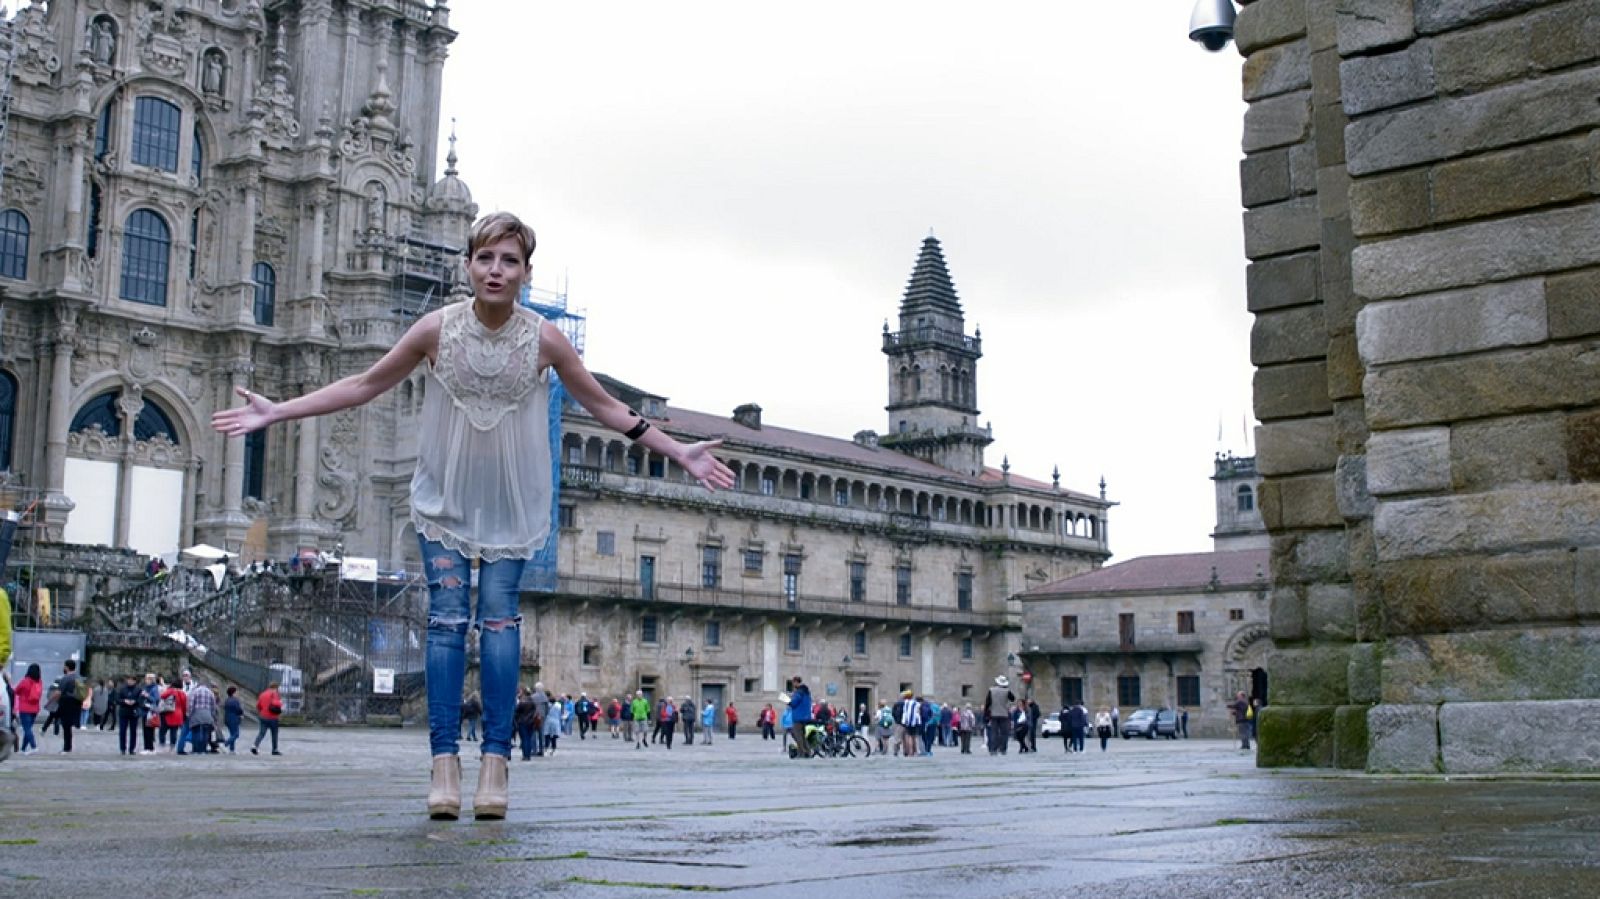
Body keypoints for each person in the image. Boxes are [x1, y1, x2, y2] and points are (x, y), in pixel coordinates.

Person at [214, 212, 734, 820]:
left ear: (525, 273)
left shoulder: (545, 339)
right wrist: (277, 412)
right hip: (446, 495)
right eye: (486, 258)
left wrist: (679, 452)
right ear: (468, 265)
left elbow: (607, 407)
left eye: (509, 261)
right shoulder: (435, 330)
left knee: (498, 624)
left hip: (514, 500)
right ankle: (442, 763)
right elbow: (363, 384)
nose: (496, 270)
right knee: (445, 621)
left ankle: (495, 762)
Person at [50, 660, 85, 753]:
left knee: (66, 727)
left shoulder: (65, 678)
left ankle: (67, 747)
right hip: (77, 704)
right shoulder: (79, 678)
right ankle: (68, 746)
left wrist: (51, 700)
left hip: (66, 704)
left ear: (67, 667)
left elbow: (59, 692)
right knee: (68, 727)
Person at [14, 663, 42, 755]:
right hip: (35, 708)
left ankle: (34, 746)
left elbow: (16, 691)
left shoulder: (25, 681)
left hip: (25, 708)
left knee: (27, 729)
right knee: (28, 728)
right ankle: (23, 749)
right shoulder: (39, 682)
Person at [982, 675, 1015, 755]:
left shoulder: (991, 690)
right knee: (1004, 733)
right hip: (1004, 714)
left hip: (994, 714)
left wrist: (986, 714)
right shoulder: (1007, 691)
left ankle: (993, 749)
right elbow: (1013, 698)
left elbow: (987, 703)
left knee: (994, 732)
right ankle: (1003, 749)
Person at [114, 674, 145, 755]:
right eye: (129, 680)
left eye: (132, 680)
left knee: (133, 731)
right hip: (124, 712)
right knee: (122, 731)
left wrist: (135, 701)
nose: (130, 682)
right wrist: (124, 701)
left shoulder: (138, 689)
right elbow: (117, 699)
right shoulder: (122, 689)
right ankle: (122, 748)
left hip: (134, 712)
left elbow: (141, 700)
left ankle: (132, 748)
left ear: (135, 681)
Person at [252, 681, 283, 755]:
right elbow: (277, 704)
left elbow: (258, 706)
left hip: (263, 716)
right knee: (274, 734)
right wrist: (280, 704)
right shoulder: (275, 694)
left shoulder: (262, 694)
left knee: (261, 733)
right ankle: (274, 749)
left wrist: (262, 711)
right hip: (273, 717)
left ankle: (255, 746)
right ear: (276, 688)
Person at [786, 677, 813, 758]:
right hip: (806, 717)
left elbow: (794, 703)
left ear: (796, 682)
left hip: (798, 717)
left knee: (797, 735)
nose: (793, 685)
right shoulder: (806, 692)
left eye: (793, 683)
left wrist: (787, 700)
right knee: (803, 735)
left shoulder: (799, 692)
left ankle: (801, 752)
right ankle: (808, 751)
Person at [188, 682, 218, 754]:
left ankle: (196, 750)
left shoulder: (195, 692)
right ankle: (203, 749)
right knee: (206, 733)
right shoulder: (211, 693)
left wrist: (189, 715)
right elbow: (213, 706)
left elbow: (191, 705)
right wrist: (213, 716)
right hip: (207, 714)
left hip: (196, 714)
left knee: (196, 732)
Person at [158, 678, 186, 752]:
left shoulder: (171, 690)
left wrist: (167, 688)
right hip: (178, 714)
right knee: (174, 731)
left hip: (168, 713)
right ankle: (172, 747)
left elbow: (162, 696)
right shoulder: (183, 693)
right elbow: (184, 705)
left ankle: (162, 746)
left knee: (162, 731)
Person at [513, 687, 539, 761]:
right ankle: (528, 755)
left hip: (522, 722)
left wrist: (517, 719)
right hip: (531, 722)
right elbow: (535, 711)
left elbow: (516, 712)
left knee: (524, 739)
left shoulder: (522, 702)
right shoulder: (532, 702)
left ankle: (525, 755)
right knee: (529, 738)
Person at [222, 686, 244, 753]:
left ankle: (232, 749)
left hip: (227, 718)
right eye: (236, 692)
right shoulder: (235, 700)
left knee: (232, 734)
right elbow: (238, 709)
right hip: (234, 718)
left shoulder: (227, 700)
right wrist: (241, 714)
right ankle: (226, 743)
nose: (237, 693)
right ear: (233, 693)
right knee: (236, 734)